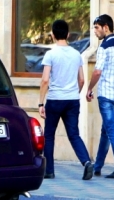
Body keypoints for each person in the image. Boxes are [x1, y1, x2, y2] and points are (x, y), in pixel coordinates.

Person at [38, 19, 93, 180]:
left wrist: (41, 103)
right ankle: (87, 162)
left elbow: (45, 80)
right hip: (72, 100)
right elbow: (82, 80)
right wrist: (75, 93)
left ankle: (49, 170)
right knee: (74, 134)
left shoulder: (51, 54)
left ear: (53, 35)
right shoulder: (76, 54)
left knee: (49, 135)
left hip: (55, 100)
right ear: (68, 35)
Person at [86, 14, 114, 179]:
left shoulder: (104, 47)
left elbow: (97, 71)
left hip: (106, 94)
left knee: (111, 130)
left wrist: (89, 88)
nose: (95, 31)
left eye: (96, 28)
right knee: (106, 130)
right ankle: (97, 166)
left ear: (106, 27)